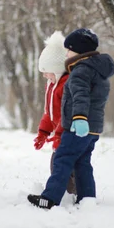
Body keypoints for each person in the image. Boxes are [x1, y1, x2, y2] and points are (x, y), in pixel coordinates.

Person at [28, 28, 114, 209]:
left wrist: (79, 118)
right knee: (82, 163)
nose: (66, 53)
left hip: (78, 126)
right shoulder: (98, 71)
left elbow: (80, 96)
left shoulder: (80, 71)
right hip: (93, 127)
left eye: (69, 50)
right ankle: (86, 198)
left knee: (63, 158)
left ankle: (50, 198)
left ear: (79, 50)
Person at [33, 31, 75, 196]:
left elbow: (66, 114)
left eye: (47, 71)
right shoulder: (52, 85)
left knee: (62, 164)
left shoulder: (65, 86)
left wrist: (59, 134)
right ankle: (67, 193)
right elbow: (49, 113)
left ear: (57, 69)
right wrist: (43, 132)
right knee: (59, 163)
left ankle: (70, 194)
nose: (44, 75)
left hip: (68, 132)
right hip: (60, 133)